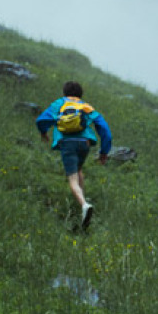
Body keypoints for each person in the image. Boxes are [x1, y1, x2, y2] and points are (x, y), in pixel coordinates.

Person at [36, 81, 112, 228]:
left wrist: (43, 132)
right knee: (78, 170)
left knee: (72, 178)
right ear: (80, 93)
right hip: (84, 143)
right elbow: (104, 129)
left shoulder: (59, 104)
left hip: (67, 143)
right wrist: (104, 152)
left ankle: (84, 205)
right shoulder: (86, 106)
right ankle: (83, 202)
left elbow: (41, 120)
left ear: (65, 92)